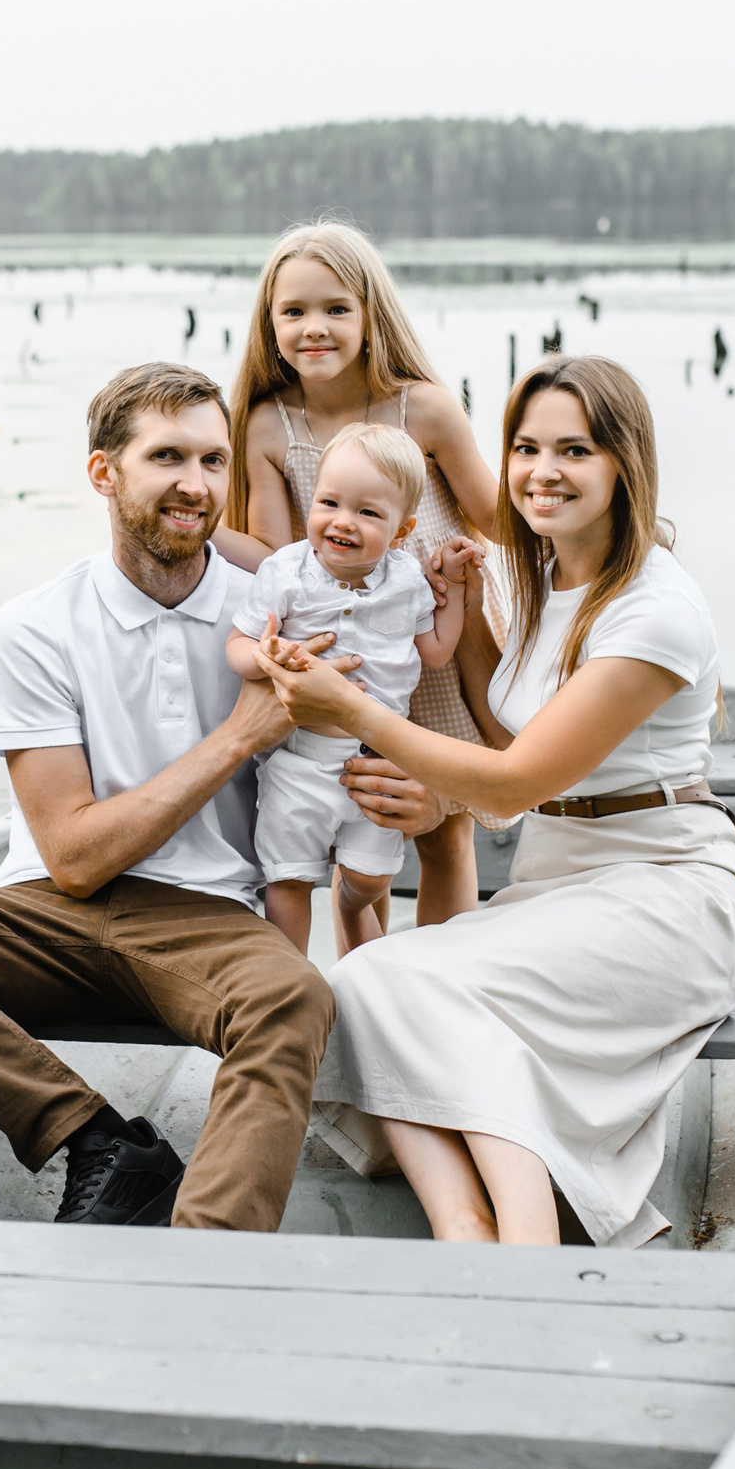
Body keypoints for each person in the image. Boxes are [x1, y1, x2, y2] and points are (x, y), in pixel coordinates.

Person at [0, 362, 444, 1232]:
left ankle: (202, 1258)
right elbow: (72, 858)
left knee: (293, 995)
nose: (197, 483)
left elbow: (388, 707)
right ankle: (92, 1134)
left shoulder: (278, 607)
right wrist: (238, 736)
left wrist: (422, 800)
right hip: (49, 917)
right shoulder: (34, 626)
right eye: (167, 456)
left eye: (213, 460)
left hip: (209, 920)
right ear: (104, 472)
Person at [254, 354, 735, 1249]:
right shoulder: (536, 574)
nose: (541, 471)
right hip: (557, 881)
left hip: (665, 891)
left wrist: (353, 710)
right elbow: (500, 724)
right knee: (362, 980)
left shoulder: (657, 609)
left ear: (625, 464)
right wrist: (467, 609)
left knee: (440, 995)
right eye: (525, 447)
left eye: (574, 450)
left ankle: (528, 1245)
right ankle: (463, 1222)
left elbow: (520, 780)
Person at [224, 222, 504, 949]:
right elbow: (272, 552)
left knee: (441, 827)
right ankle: (360, 989)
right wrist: (195, 532)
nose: (313, 327)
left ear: (369, 314)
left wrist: (590, 523)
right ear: (270, 323)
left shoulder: (423, 408)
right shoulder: (267, 425)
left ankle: (442, 986)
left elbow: (494, 517)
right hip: (342, 650)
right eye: (293, 311)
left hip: (429, 636)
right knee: (355, 826)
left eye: (335, 308)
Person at [224, 422, 483, 953]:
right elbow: (238, 645)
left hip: (377, 762)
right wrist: (265, 657)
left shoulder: (406, 579)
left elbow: (435, 650)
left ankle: (350, 906)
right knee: (289, 880)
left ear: (401, 530)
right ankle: (291, 980)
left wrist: (455, 588)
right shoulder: (287, 571)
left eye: (367, 512)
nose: (343, 521)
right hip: (300, 763)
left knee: (370, 876)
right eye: (329, 503)